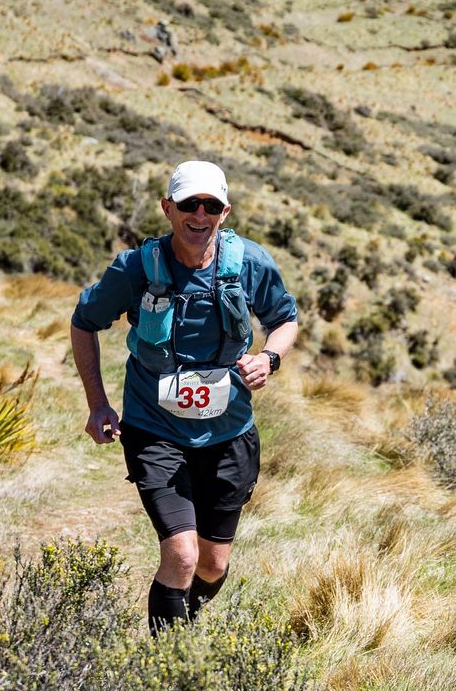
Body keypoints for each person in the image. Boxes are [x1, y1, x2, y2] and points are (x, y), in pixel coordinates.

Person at [69, 159, 298, 632]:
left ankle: (182, 628)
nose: (199, 214)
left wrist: (269, 358)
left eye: (210, 205)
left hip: (230, 432)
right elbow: (84, 322)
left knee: (212, 564)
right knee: (181, 553)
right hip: (156, 430)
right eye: (188, 204)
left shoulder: (250, 263)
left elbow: (285, 320)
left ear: (225, 211)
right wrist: (98, 403)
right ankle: (167, 671)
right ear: (167, 208)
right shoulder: (136, 268)